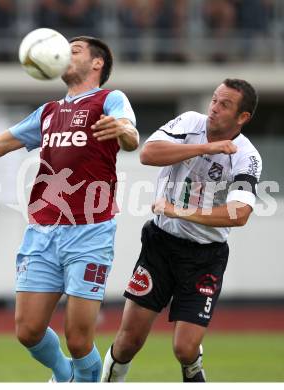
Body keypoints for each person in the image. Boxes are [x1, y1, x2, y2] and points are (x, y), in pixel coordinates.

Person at [0, 36, 139, 382]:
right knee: (28, 331)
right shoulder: (48, 112)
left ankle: (90, 381)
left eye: (75, 50)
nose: (66, 53)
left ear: (97, 63)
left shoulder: (110, 99)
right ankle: (64, 376)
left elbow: (130, 135)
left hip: (90, 230)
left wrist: (122, 128)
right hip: (43, 229)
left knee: (78, 340)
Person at [101, 78, 262, 382]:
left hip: (204, 258)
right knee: (128, 342)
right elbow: (148, 154)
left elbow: (239, 214)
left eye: (224, 104)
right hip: (160, 247)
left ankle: (193, 366)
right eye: (214, 99)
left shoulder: (247, 156)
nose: (213, 108)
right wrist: (206, 147)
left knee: (185, 350)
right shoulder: (190, 122)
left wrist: (180, 211)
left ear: (243, 117)